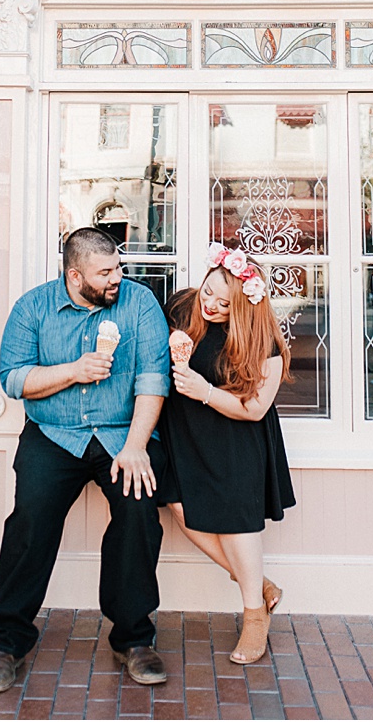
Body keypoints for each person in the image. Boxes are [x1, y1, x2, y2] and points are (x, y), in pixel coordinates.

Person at [0, 228, 172, 693]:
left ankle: (133, 637)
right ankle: (6, 641)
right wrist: (74, 371)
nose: (117, 278)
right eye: (106, 272)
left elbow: (152, 379)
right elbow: (14, 380)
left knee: (139, 510)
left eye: (118, 268)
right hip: (53, 434)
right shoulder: (33, 308)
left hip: (123, 434)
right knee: (31, 519)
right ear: (74, 275)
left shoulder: (139, 304)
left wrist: (137, 446)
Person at [156, 241, 297, 665]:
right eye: (208, 293)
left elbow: (255, 410)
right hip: (184, 433)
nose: (212, 305)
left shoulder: (264, 340)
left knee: (237, 523)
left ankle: (255, 613)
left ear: (245, 306)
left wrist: (205, 391)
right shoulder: (182, 309)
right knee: (181, 509)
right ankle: (260, 584)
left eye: (224, 302)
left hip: (235, 436)